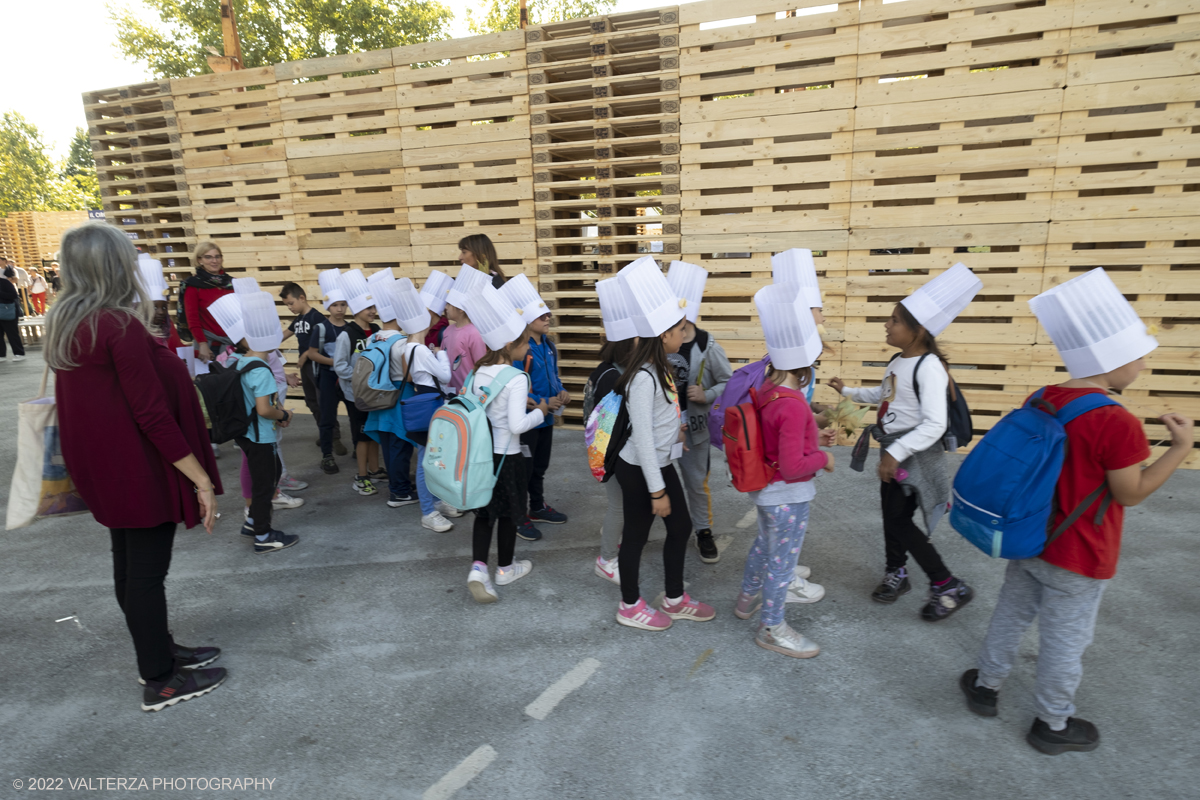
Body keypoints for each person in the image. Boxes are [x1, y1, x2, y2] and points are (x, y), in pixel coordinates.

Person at [961, 268, 1194, 755]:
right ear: (1114, 359)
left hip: (1030, 536)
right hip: (1082, 554)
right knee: (1065, 640)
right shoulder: (1116, 421)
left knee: (1010, 614)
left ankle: (985, 687)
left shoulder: (1044, 397)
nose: (1143, 366)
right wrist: (1180, 447)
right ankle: (1053, 723)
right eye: (1139, 357)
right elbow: (1131, 493)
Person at [45, 222, 225, 711]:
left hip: (103, 465)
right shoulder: (116, 325)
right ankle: (160, 678)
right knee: (145, 573)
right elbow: (150, 413)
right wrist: (201, 479)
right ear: (114, 265)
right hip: (136, 466)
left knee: (129, 568)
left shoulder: (68, 319)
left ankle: (158, 648)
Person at [829, 263, 983, 620]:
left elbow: (935, 424)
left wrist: (894, 454)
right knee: (892, 516)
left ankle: (946, 584)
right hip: (894, 454)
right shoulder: (899, 361)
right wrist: (847, 391)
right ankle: (896, 572)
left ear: (918, 330)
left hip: (912, 458)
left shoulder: (928, 367)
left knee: (899, 520)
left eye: (895, 320)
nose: (887, 324)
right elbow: (885, 395)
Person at [611, 257, 716, 631]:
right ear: (664, 335)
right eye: (679, 328)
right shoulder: (642, 377)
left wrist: (676, 436)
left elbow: (661, 420)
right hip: (640, 467)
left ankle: (674, 599)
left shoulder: (662, 369)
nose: (683, 333)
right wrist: (657, 492)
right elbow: (640, 437)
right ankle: (629, 605)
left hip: (658, 461)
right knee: (637, 536)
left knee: (681, 526)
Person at [734, 282, 835, 658]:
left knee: (764, 546)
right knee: (782, 563)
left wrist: (814, 440)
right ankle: (772, 627)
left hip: (767, 492)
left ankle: (747, 599)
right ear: (806, 362)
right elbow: (794, 467)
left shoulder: (767, 391)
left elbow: (782, 444)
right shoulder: (793, 404)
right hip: (788, 494)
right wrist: (824, 458)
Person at [461, 283, 550, 603]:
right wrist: (539, 412)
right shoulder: (515, 378)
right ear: (511, 343)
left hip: (480, 456)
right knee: (511, 515)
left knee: (485, 515)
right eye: (525, 343)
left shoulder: (477, 372)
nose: (528, 349)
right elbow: (516, 425)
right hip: (507, 456)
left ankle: (478, 568)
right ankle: (506, 569)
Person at [365, 275, 462, 531]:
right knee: (426, 460)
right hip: (429, 404)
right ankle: (428, 512)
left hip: (424, 399)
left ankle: (437, 501)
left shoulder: (410, 346)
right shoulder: (419, 349)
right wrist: (441, 355)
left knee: (431, 457)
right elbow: (445, 375)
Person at [220, 290, 301, 553]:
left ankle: (253, 522)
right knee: (265, 486)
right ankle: (264, 536)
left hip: (246, 434)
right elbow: (265, 409)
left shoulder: (242, 361)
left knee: (272, 473)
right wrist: (284, 415)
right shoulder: (262, 369)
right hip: (261, 436)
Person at [665, 260, 732, 564]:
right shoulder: (659, 342)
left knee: (695, 482)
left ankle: (703, 530)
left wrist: (708, 394)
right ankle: (654, 526)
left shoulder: (707, 344)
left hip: (695, 427)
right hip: (663, 427)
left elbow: (728, 381)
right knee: (655, 479)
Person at [500, 274, 569, 540]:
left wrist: (561, 392)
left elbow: (554, 376)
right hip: (528, 419)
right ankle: (518, 517)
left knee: (540, 467)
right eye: (543, 317)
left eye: (549, 315)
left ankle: (537, 506)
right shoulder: (520, 351)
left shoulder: (549, 346)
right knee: (523, 470)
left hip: (547, 419)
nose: (548, 319)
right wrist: (542, 402)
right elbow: (517, 385)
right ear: (528, 322)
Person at [584, 275, 640, 584]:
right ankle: (606, 559)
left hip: (611, 453)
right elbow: (610, 428)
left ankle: (612, 536)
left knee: (619, 505)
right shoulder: (612, 378)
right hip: (614, 455)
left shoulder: (608, 371)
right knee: (618, 505)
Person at [280, 281, 346, 459]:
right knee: (311, 401)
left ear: (302, 298)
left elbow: (322, 341)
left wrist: (305, 355)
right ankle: (324, 432)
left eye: (291, 303)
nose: (290, 308)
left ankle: (335, 437)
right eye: (287, 305)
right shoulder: (298, 320)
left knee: (323, 400)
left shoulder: (316, 318)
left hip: (317, 366)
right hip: (306, 368)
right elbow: (283, 335)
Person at [334, 269, 383, 495]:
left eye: (374, 307)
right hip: (356, 396)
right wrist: (361, 377)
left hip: (376, 393)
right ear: (356, 309)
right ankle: (360, 476)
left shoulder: (377, 331)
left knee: (373, 433)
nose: (373, 312)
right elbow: (340, 365)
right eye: (368, 308)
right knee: (362, 436)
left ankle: (374, 469)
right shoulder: (347, 335)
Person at [182, 241, 234, 363]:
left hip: (234, 345)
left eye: (217, 256)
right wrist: (202, 344)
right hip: (210, 348)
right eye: (208, 257)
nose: (214, 261)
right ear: (199, 260)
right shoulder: (194, 286)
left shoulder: (232, 283)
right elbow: (192, 320)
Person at [442, 264, 490, 392]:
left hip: (469, 394)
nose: (445, 308)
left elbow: (480, 366)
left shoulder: (474, 334)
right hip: (450, 394)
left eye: (449, 304)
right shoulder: (447, 331)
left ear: (461, 309)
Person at [135, 254, 183, 351]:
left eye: (164, 307)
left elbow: (179, 349)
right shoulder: (133, 334)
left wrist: (197, 354)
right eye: (155, 308)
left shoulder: (167, 326)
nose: (161, 312)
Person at [1, 266, 26, 361]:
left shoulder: (5, 283)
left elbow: (13, 295)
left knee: (12, 333)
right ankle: (1, 355)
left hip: (8, 311)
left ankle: (19, 353)